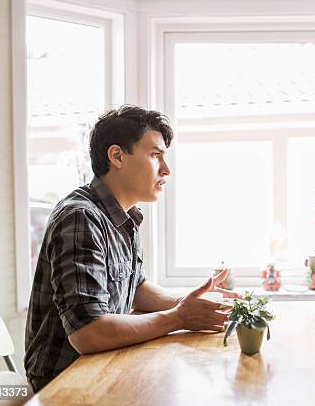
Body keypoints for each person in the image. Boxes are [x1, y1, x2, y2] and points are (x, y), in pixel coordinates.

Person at [25, 105, 236, 393]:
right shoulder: (80, 217)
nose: (166, 169)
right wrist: (179, 317)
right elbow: (88, 332)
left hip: (102, 366)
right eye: (155, 155)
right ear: (117, 156)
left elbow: (134, 287)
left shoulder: (123, 215)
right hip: (65, 383)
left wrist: (194, 304)